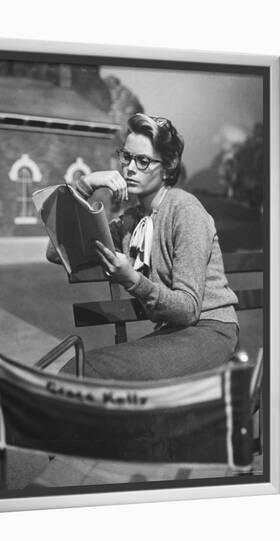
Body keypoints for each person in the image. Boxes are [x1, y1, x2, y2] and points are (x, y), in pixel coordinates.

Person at [48, 113, 239, 381]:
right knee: (81, 369)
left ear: (169, 165)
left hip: (210, 332)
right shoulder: (130, 222)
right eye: (126, 157)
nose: (129, 168)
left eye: (143, 161)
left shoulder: (185, 210)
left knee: (83, 370)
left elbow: (188, 309)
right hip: (173, 335)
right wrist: (84, 185)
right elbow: (57, 252)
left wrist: (132, 279)